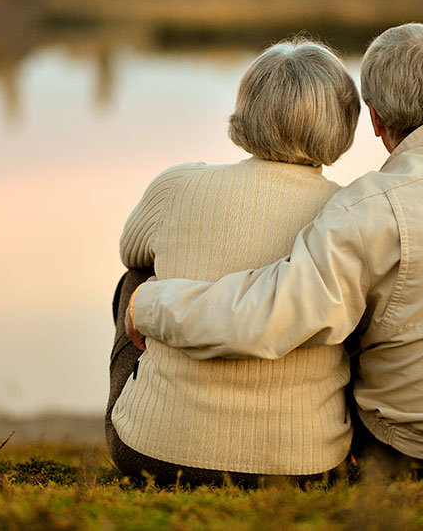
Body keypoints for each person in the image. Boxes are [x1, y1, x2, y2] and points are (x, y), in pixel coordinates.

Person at [123, 23, 423, 480]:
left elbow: (271, 315)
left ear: (374, 119)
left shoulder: (370, 207)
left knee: (353, 301)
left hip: (413, 451)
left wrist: (147, 303)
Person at [106, 38, 361, 486]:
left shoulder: (178, 185)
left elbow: (131, 251)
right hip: (306, 463)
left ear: (247, 109)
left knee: (137, 279)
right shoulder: (351, 212)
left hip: (153, 452)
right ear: (344, 121)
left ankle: (160, 406)